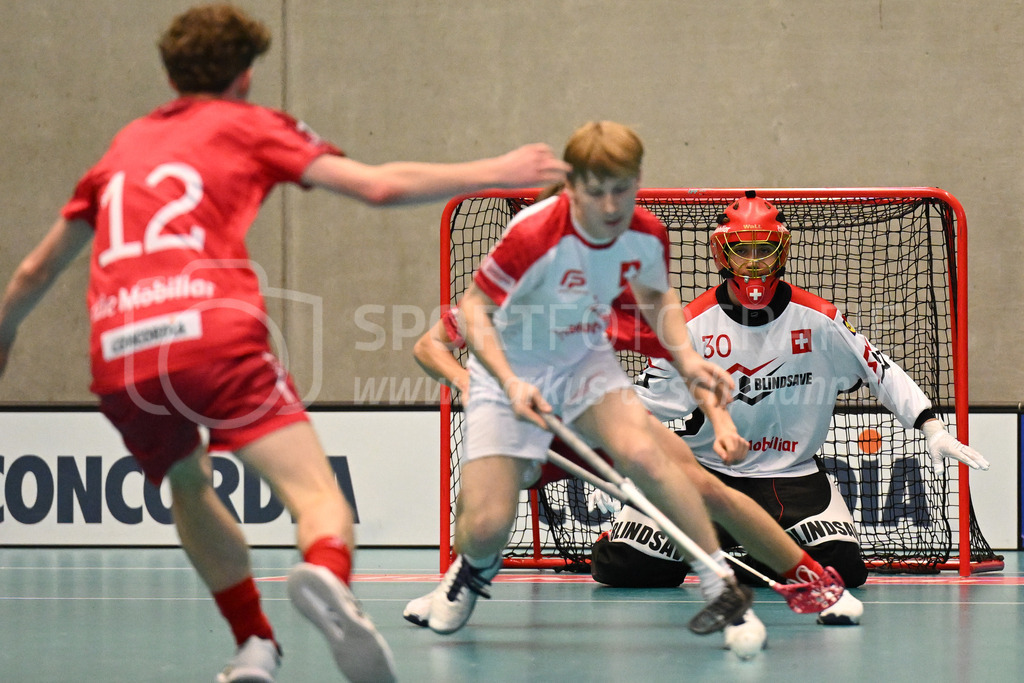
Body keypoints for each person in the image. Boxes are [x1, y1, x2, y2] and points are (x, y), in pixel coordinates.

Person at [0, 5, 569, 683]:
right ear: (244, 76)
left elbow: (36, 269)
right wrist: (497, 166)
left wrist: (4, 336)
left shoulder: (122, 148)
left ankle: (254, 645)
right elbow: (378, 186)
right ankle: (326, 574)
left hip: (119, 348)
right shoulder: (249, 123)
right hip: (207, 332)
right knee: (318, 499)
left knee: (188, 483)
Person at [405, 120, 769, 648]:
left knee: (645, 454)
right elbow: (472, 311)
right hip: (508, 367)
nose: (609, 206)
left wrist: (688, 361)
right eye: (595, 191)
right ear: (571, 185)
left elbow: (656, 299)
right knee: (485, 526)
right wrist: (507, 382)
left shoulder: (645, 232)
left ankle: (722, 585)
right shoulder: (532, 236)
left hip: (583, 359)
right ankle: (471, 571)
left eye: (621, 189)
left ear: (637, 179)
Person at [590, 190, 990, 619]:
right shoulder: (689, 324)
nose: (755, 262)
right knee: (628, 567)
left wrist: (932, 427)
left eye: (766, 249)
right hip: (703, 472)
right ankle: (734, 547)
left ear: (782, 251)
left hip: (791, 476)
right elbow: (650, 400)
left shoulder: (820, 319)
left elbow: (881, 370)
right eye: (743, 250)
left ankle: (733, 552)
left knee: (844, 568)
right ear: (723, 254)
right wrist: (614, 449)